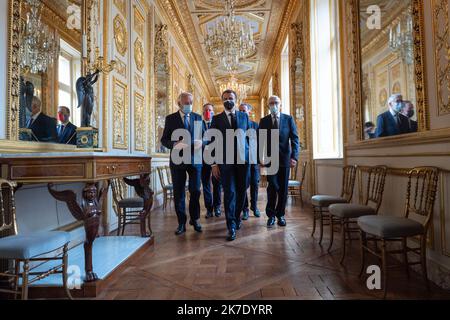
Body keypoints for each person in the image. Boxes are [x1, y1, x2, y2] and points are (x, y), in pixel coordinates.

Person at [209, 90, 252, 241]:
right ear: (222, 101)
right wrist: (213, 163)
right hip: (225, 163)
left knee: (241, 192)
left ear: (236, 99)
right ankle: (231, 225)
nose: (229, 101)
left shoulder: (244, 116)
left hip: (243, 162)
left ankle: (238, 217)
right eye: (226, 99)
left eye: (231, 98)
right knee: (230, 193)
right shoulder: (216, 119)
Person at [161, 92, 204, 235]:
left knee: (196, 191)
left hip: (195, 160)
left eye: (191, 102)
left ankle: (195, 219)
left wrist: (202, 142)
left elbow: (206, 137)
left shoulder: (198, 118)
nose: (189, 105)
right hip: (177, 160)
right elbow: (164, 139)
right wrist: (174, 144)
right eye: (186, 103)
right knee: (178, 192)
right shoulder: (171, 119)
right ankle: (181, 223)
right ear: (179, 104)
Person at [259, 96, 300, 228]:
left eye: (276, 103)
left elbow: (295, 139)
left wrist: (294, 157)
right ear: (268, 106)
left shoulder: (288, 119)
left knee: (282, 189)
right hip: (270, 160)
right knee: (272, 187)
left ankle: (280, 215)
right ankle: (270, 215)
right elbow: (260, 141)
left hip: (285, 159)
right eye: (271, 103)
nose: (273, 105)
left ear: (280, 105)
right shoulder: (264, 121)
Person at [239, 103, 261, 219]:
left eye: (244, 111)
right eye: (240, 111)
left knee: (254, 184)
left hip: (254, 160)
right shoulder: (237, 126)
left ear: (249, 112)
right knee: (243, 185)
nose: (242, 113)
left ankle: (255, 206)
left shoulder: (255, 125)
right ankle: (245, 209)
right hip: (242, 161)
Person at [201, 103, 222, 218]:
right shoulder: (198, 125)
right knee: (206, 185)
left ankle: (217, 207)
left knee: (217, 184)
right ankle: (209, 208)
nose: (208, 112)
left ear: (213, 112)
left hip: (216, 159)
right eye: (206, 110)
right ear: (203, 113)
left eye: (210, 110)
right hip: (203, 160)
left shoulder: (218, 124)